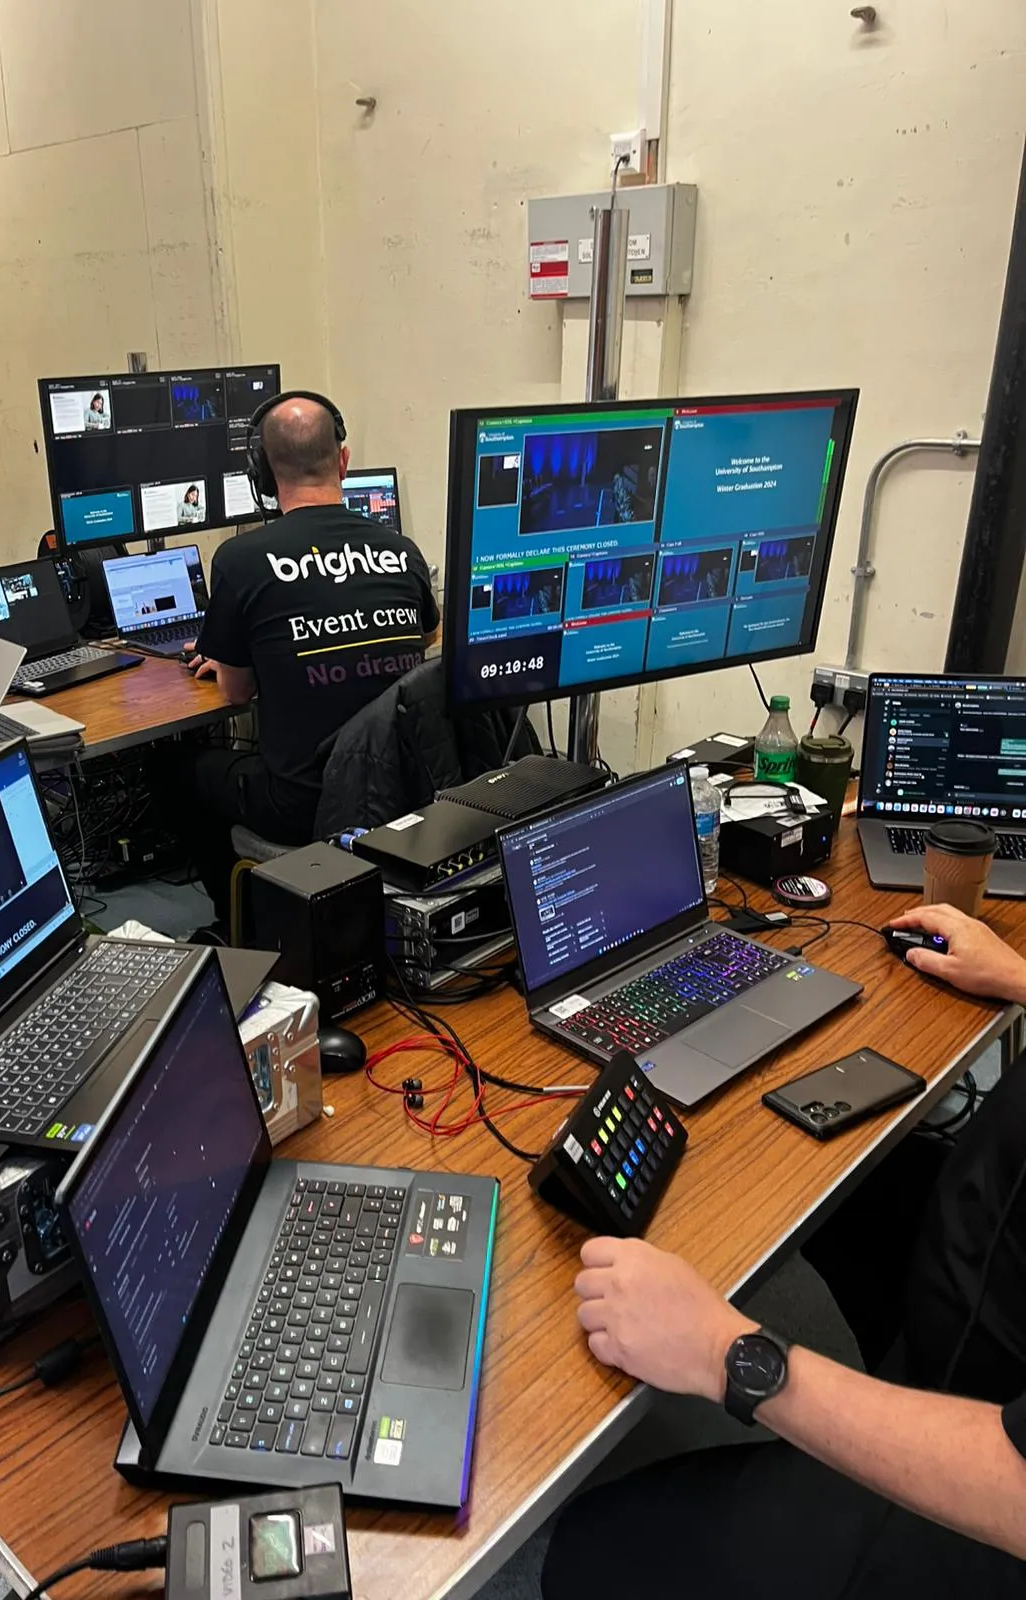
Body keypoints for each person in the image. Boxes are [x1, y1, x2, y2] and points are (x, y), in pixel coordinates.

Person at [542, 901, 1026, 1599]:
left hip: (988, 1510)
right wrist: (1015, 975)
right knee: (845, 1181)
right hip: (989, 1288)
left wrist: (725, 1352)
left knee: (590, 1553)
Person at [178, 394, 439, 929]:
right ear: (343, 461)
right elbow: (428, 638)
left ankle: (238, 924)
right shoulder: (403, 551)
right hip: (404, 792)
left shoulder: (240, 560)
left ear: (263, 474)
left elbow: (235, 693)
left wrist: (232, 653)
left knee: (180, 771)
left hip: (304, 806)